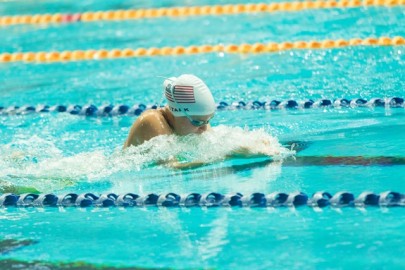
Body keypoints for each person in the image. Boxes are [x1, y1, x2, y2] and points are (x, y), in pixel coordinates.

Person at [123, 74, 216, 148]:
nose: (204, 128)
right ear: (178, 113)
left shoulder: (198, 120)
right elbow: (173, 167)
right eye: (197, 122)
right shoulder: (151, 120)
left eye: (208, 120)